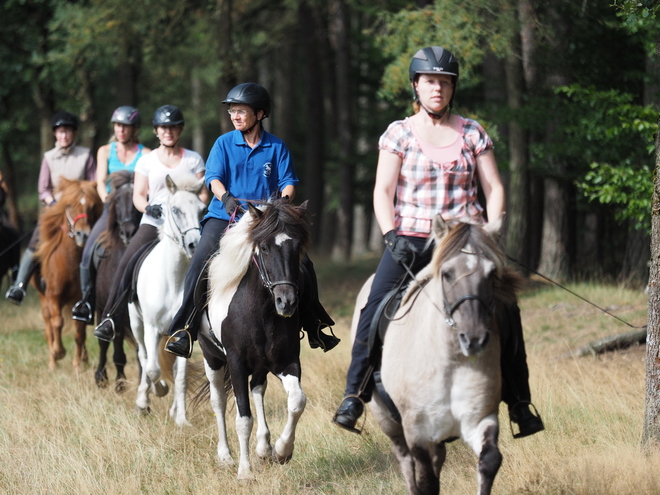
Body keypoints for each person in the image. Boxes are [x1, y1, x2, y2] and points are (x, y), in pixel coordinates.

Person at [332, 46, 545, 438]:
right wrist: (390, 234)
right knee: (374, 305)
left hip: (466, 243)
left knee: (507, 309)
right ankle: (354, 395)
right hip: (411, 239)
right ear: (416, 85)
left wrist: (491, 228)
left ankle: (519, 402)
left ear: (452, 88)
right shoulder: (398, 133)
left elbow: (494, 186)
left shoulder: (473, 132)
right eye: (430, 81)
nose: (438, 88)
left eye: (445, 82)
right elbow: (383, 190)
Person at [164, 82, 339, 359]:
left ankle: (315, 325)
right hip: (226, 215)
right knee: (200, 261)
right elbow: (213, 179)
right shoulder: (224, 143)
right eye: (232, 111)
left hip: (265, 220)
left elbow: (289, 181)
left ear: (259, 114)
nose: (235, 116)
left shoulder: (276, 147)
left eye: (241, 111)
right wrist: (227, 199)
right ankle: (184, 328)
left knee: (303, 263)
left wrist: (281, 202)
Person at [93, 105, 208, 342]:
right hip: (154, 222)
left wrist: (195, 204)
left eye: (173, 127)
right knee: (127, 260)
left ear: (180, 130)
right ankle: (110, 317)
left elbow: (204, 193)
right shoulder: (146, 161)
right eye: (163, 128)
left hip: (187, 223)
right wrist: (147, 207)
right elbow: (138, 195)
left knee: (210, 259)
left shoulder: (193, 159)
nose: (168, 132)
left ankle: (211, 318)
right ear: (156, 131)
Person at [5, 110, 96, 305]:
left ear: (74, 133)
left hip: (80, 211)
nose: (64, 135)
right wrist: (55, 205)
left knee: (100, 240)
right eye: (60, 132)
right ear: (55, 134)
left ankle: (98, 289)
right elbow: (43, 190)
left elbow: (93, 183)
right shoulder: (49, 157)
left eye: (68, 131)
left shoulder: (85, 155)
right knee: (35, 241)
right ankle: (19, 286)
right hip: (55, 212)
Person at [72, 105, 150, 324]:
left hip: (135, 211)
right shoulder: (105, 151)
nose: (121, 130)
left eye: (125, 126)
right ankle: (87, 301)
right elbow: (99, 181)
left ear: (134, 129)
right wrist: (106, 198)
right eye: (117, 126)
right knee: (88, 252)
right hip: (111, 208)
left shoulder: (146, 154)